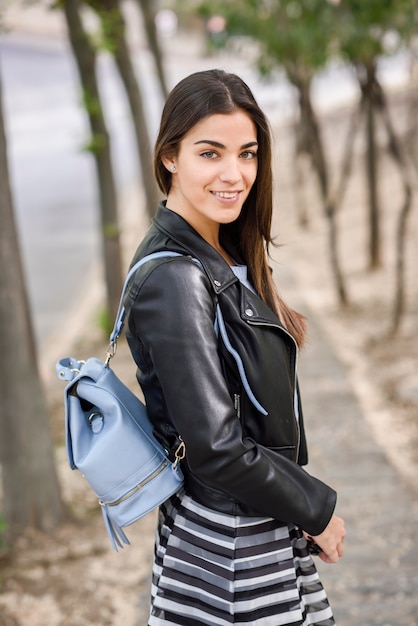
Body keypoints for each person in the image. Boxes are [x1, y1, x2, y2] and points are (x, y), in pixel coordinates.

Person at [124, 69, 346, 626]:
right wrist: (315, 508)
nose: (234, 174)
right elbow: (217, 448)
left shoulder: (218, 254)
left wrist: (295, 509)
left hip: (256, 522)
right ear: (170, 156)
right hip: (228, 546)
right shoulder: (175, 277)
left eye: (247, 154)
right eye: (210, 153)